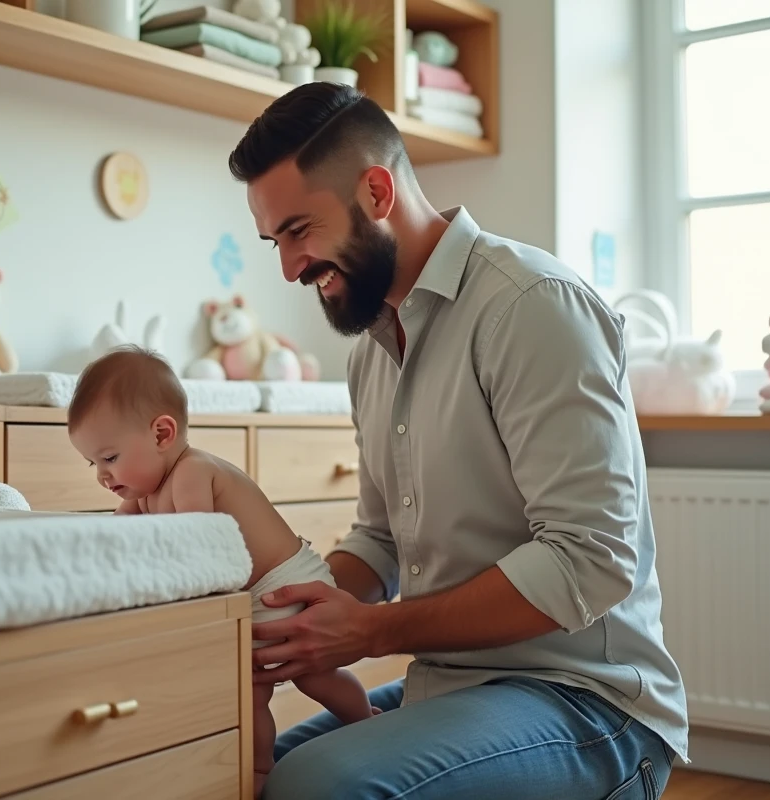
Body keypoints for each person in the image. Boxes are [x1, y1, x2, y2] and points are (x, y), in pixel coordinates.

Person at [226, 81, 690, 799]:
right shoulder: (370, 353)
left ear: (377, 192)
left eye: (299, 231)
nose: (288, 268)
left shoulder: (532, 307)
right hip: (453, 687)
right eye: (275, 241)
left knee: (315, 788)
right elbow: (380, 541)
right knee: (241, 774)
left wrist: (371, 633)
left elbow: (589, 561)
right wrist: (281, 615)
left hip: (590, 702)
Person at [65, 345, 377, 796]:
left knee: (315, 676)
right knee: (248, 692)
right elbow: (112, 543)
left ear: (161, 434)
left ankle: (363, 719)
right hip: (248, 597)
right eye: (93, 463)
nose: (101, 475)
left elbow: (203, 554)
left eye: (109, 458)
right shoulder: (143, 492)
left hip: (286, 583)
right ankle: (257, 768)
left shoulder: (193, 473)